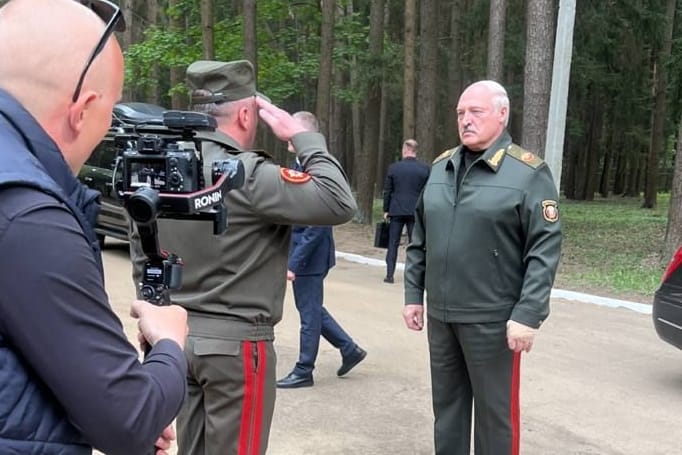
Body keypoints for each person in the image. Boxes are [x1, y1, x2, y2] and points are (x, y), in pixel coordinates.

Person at [128, 60, 357, 455]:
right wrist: (303, 138)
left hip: (177, 339)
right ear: (249, 113)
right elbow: (339, 201)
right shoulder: (247, 174)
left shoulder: (159, 169)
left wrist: (155, 323)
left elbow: (141, 252)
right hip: (237, 350)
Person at [0, 1, 189, 454]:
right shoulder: (27, 212)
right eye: (112, 108)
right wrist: (169, 344)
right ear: (83, 110)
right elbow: (128, 420)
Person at [402, 80, 562, 455]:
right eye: (460, 113)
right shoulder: (441, 168)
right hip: (442, 318)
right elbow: (421, 237)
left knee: (495, 417)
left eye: (476, 112)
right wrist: (414, 294)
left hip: (493, 320)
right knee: (448, 412)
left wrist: (528, 313)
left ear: (502, 114)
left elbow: (544, 248)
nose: (466, 120)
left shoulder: (528, 174)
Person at [276, 111, 366, 389]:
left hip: (310, 256)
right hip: (304, 252)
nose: (287, 133)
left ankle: (304, 370)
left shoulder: (317, 166)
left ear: (305, 134)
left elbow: (317, 223)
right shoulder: (300, 162)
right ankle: (349, 348)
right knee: (312, 308)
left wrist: (295, 263)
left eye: (293, 128)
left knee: (309, 313)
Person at [381, 139, 430, 283]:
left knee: (393, 243)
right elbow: (427, 191)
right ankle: (414, 277)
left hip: (396, 210)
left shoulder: (394, 168)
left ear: (405, 150)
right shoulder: (425, 169)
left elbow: (388, 190)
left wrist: (386, 209)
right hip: (415, 211)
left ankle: (389, 275)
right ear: (416, 151)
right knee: (415, 244)